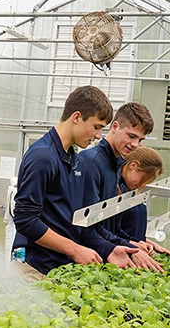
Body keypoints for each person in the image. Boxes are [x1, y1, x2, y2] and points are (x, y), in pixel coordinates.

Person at [12, 85, 138, 280]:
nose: (98, 136)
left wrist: (109, 249)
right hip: (33, 271)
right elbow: (25, 220)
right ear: (77, 117)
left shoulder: (74, 160)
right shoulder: (43, 156)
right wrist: (74, 249)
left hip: (57, 271)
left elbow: (76, 222)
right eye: (96, 127)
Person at [80, 103, 164, 271]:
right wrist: (127, 246)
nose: (135, 144)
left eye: (140, 140)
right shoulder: (92, 163)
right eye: (131, 136)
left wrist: (135, 244)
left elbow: (110, 226)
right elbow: (84, 225)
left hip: (105, 258)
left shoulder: (115, 168)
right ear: (115, 126)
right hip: (89, 259)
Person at [117, 147, 169, 257]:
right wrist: (134, 245)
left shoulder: (131, 190)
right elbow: (112, 231)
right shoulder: (114, 188)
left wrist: (147, 243)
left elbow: (131, 230)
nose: (143, 185)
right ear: (133, 166)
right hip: (122, 254)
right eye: (144, 179)